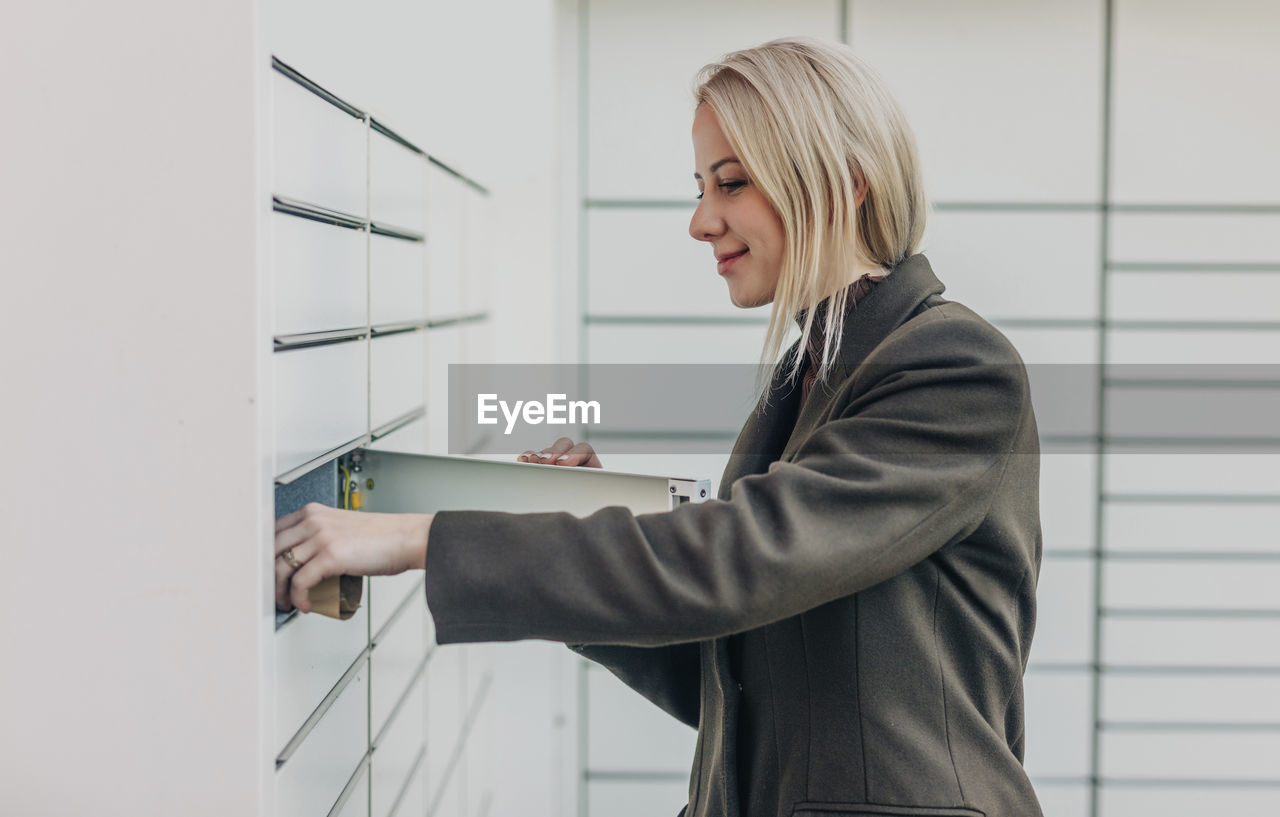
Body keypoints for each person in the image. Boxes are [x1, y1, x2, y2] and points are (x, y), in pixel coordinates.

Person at [274, 36, 1043, 817]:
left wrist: (420, 538)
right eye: (702, 186)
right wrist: (564, 519)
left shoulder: (953, 367)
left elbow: (734, 558)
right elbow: (733, 674)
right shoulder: (804, 376)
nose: (701, 220)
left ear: (844, 185)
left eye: (732, 183)